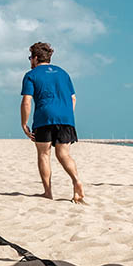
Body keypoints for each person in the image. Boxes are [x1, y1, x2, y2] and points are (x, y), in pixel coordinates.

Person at [20, 42, 85, 203]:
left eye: (30, 58)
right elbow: (73, 98)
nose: (30, 61)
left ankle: (48, 192)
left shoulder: (31, 74)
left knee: (44, 154)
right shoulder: (63, 73)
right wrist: (67, 115)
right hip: (66, 118)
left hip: (44, 117)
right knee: (64, 154)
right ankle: (76, 180)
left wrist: (24, 123)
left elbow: (27, 101)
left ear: (35, 58)